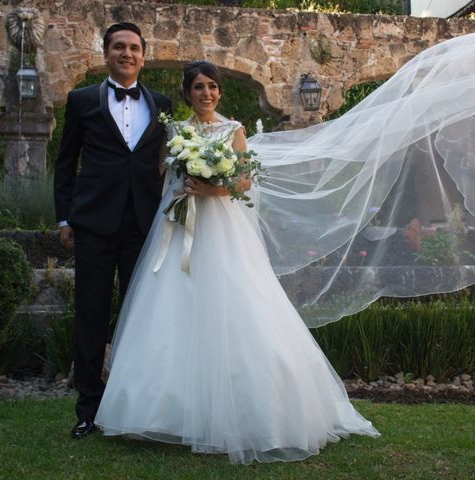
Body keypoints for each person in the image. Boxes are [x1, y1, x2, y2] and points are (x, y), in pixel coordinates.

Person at [94, 60, 381, 463]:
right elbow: (163, 172)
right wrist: (184, 179)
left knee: (239, 302)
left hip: (223, 227)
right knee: (171, 307)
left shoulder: (234, 130)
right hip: (180, 227)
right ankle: (169, 413)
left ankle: (253, 408)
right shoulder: (175, 132)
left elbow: (244, 180)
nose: (206, 93)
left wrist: (212, 188)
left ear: (220, 93)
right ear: (187, 93)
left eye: (212, 87)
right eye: (198, 87)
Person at [54, 22, 172, 440]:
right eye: (119, 47)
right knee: (91, 316)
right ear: (106, 53)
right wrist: (64, 219)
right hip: (93, 225)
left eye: (134, 48)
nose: (127, 53)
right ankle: (88, 409)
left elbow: (168, 163)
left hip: (145, 225)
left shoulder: (162, 103)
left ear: (144, 55)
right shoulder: (81, 100)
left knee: (141, 317)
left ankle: (134, 406)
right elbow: (65, 163)